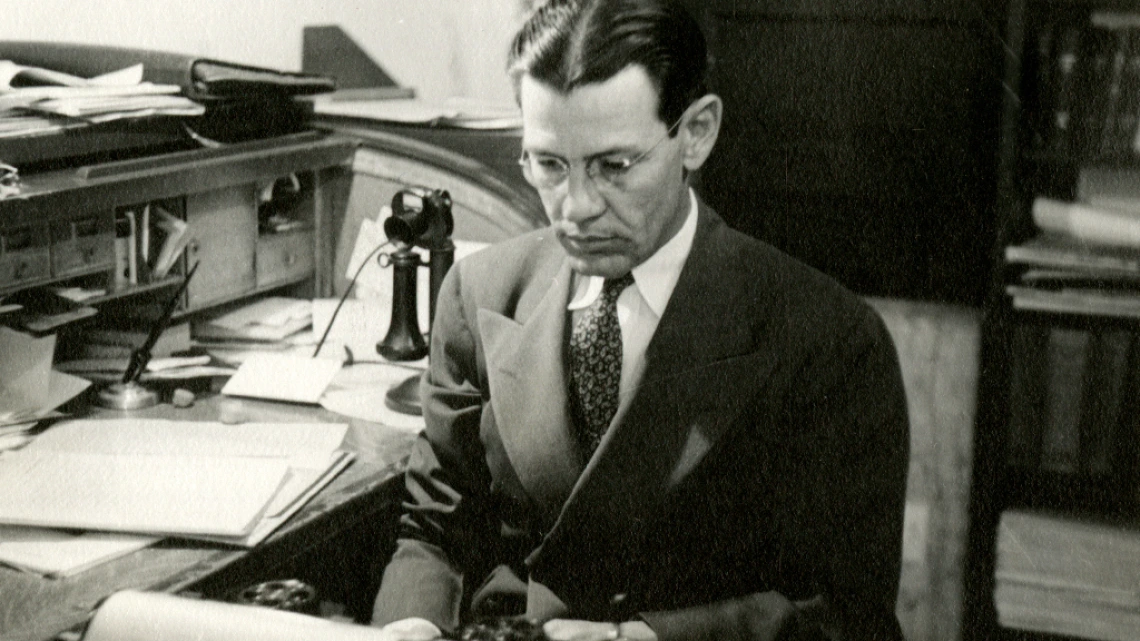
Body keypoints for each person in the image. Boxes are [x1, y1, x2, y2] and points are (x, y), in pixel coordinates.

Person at [372, 1, 910, 639]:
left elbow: (849, 614)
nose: (576, 208)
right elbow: (434, 532)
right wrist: (411, 622)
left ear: (696, 133)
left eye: (614, 166)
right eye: (549, 164)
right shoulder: (480, 291)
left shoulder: (826, 337)